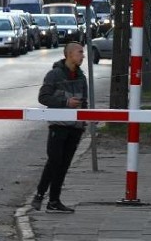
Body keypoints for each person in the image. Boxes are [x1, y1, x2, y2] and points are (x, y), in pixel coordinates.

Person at [31, 42, 87, 213]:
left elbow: (84, 101)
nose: (82, 56)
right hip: (59, 125)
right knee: (54, 161)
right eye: (79, 53)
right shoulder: (54, 75)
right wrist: (65, 102)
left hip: (75, 128)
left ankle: (54, 201)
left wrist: (85, 119)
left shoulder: (81, 77)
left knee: (64, 165)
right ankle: (39, 195)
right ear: (69, 54)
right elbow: (43, 97)